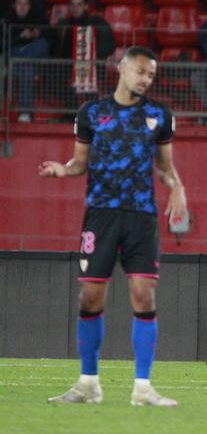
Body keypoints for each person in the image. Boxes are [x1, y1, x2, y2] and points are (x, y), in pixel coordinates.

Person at [40, 47, 186, 406]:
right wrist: (62, 169)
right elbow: (79, 163)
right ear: (121, 69)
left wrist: (178, 188)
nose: (145, 79)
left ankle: (142, 388)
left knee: (144, 295)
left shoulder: (159, 115)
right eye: (140, 71)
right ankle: (88, 383)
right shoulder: (92, 112)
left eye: (150, 75)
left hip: (141, 216)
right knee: (90, 297)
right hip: (101, 214)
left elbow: (165, 168)